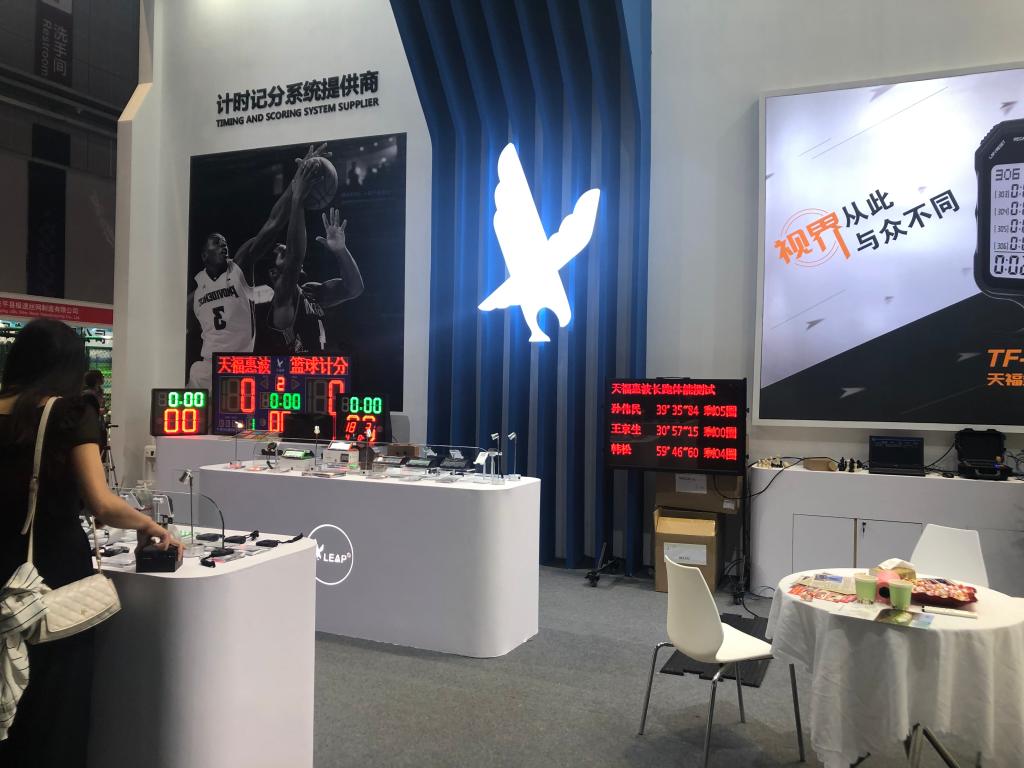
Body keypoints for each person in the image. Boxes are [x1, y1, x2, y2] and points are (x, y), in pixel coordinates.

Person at [0, 319, 180, 767]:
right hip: (51, 577)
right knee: (55, 709)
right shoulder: (70, 414)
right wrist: (148, 525)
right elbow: (101, 502)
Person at [186, 143, 331, 387]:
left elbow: (273, 223)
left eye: (225, 242)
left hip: (237, 368)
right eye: (216, 243)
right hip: (204, 369)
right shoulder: (195, 295)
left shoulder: (238, 267)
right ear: (204, 255)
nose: (224, 245)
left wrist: (295, 183)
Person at [266, 160, 364, 353]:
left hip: (321, 370)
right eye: (284, 253)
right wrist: (298, 199)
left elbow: (354, 289)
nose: (293, 254)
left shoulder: (311, 292)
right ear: (273, 273)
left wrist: (341, 250)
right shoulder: (281, 298)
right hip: (294, 371)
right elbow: (295, 258)